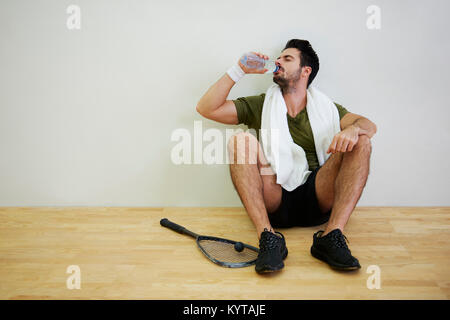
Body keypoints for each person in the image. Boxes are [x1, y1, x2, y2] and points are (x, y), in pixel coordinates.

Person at [196, 39, 377, 273]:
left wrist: (352, 129)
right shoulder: (263, 104)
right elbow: (206, 108)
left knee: (362, 140)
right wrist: (238, 70)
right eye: (279, 57)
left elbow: (369, 125)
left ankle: (332, 235)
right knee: (241, 141)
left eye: (287, 58)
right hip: (276, 195)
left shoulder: (328, 108)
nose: (278, 61)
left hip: (318, 193)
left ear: (305, 71)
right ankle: (268, 238)